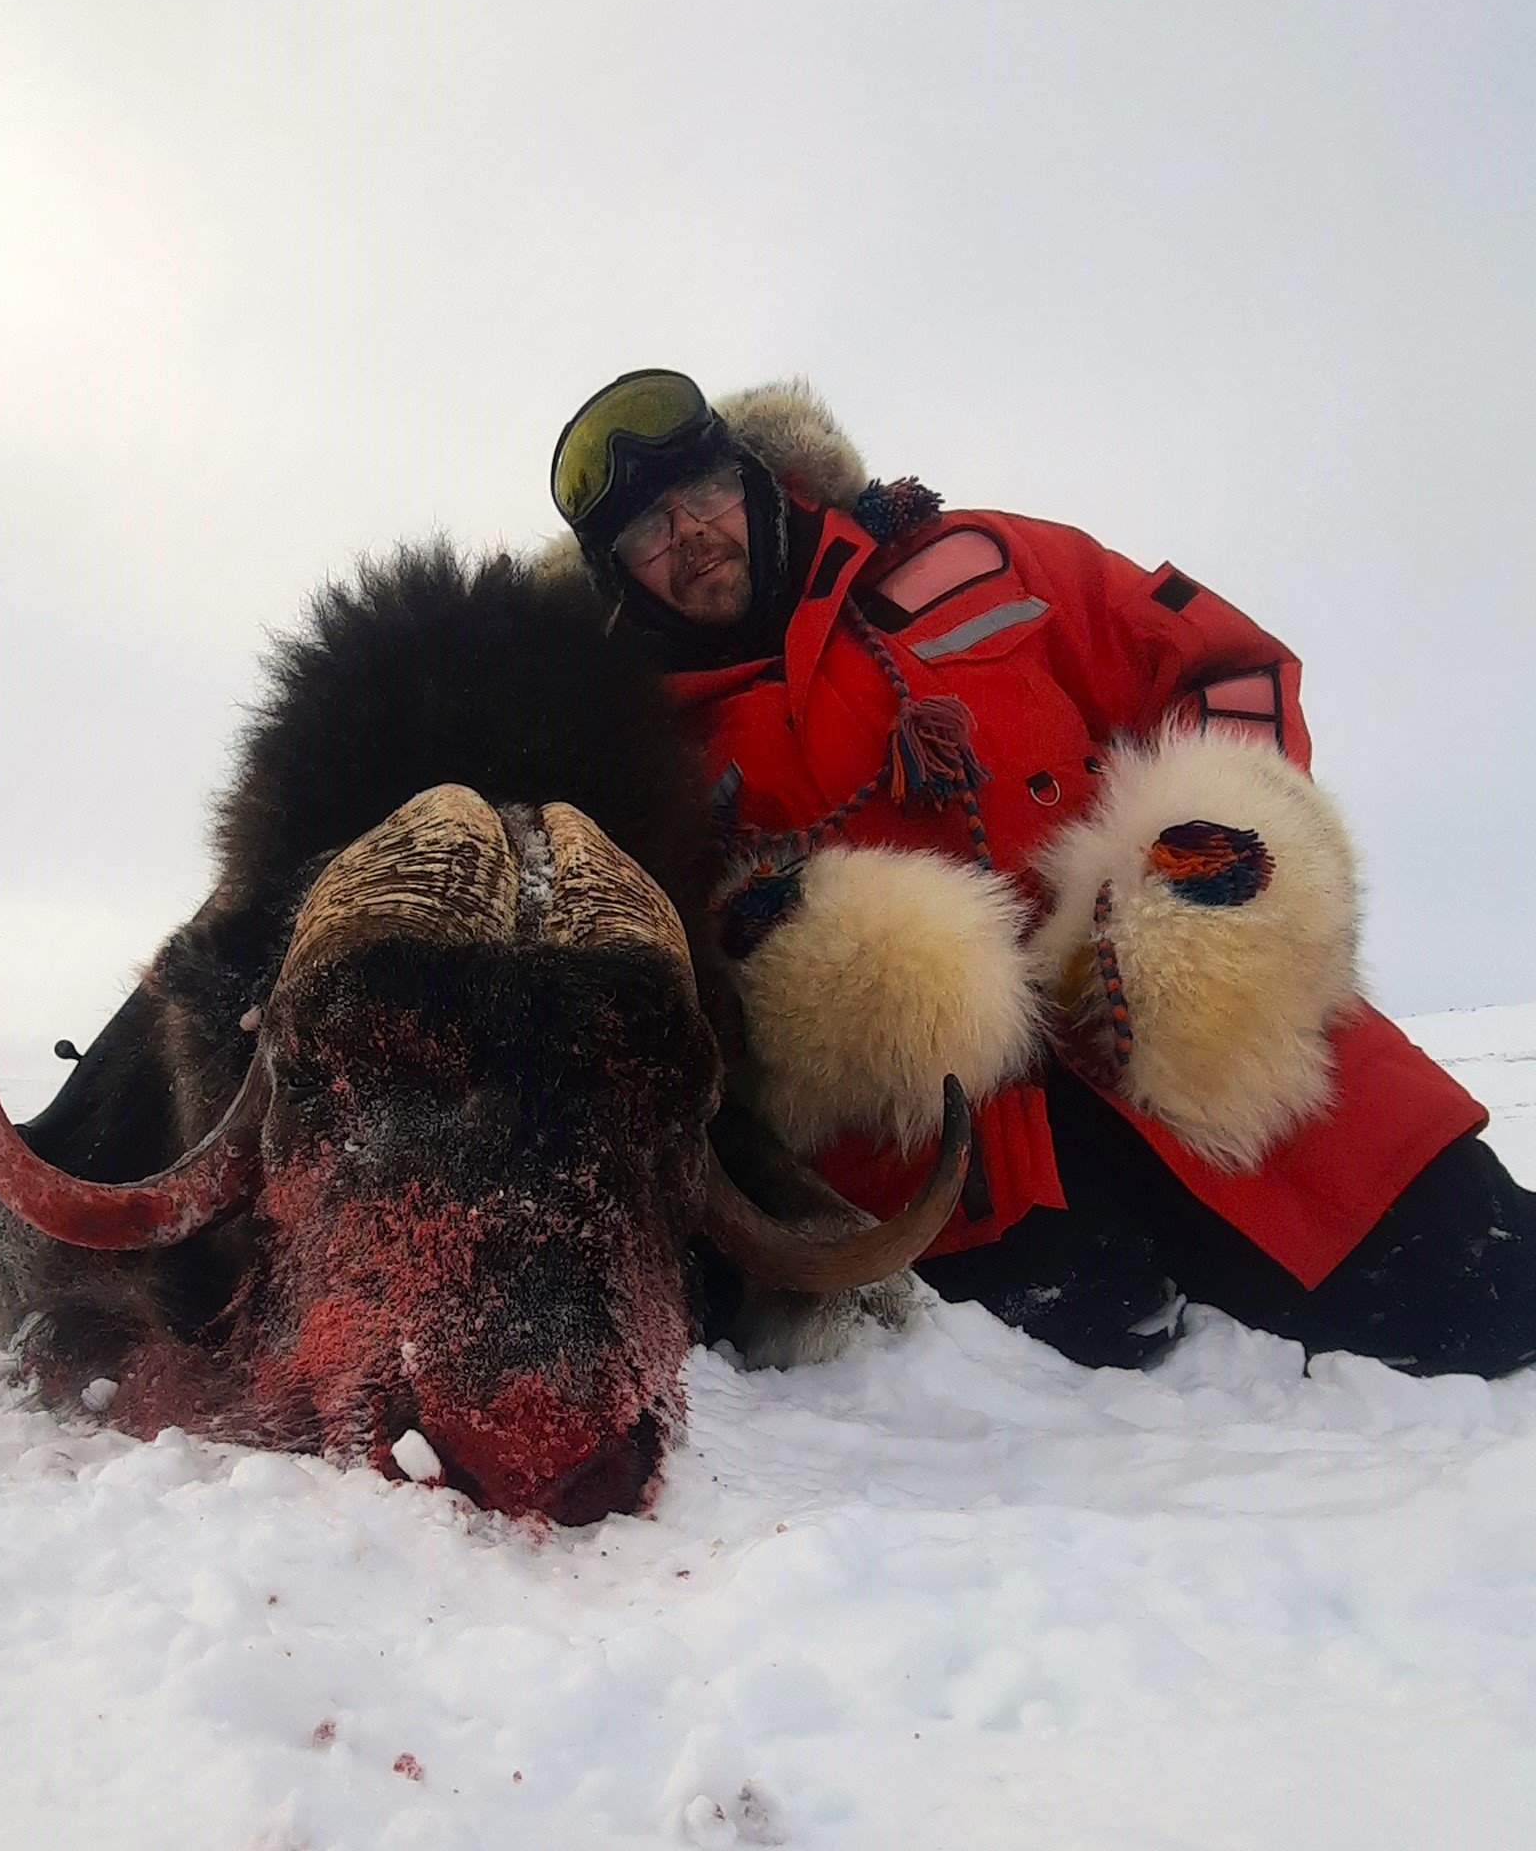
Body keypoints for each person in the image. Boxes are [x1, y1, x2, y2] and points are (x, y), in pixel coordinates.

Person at [549, 367, 1536, 1375]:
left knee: (1499, 1296)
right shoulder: (637, 748)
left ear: (753, 476)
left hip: (1239, 1070)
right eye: (649, 533)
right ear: (618, 574)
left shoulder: (978, 556)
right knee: (1101, 1465)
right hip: (965, 1201)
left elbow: (1225, 666)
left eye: (703, 494)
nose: (692, 535)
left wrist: (1210, 862)